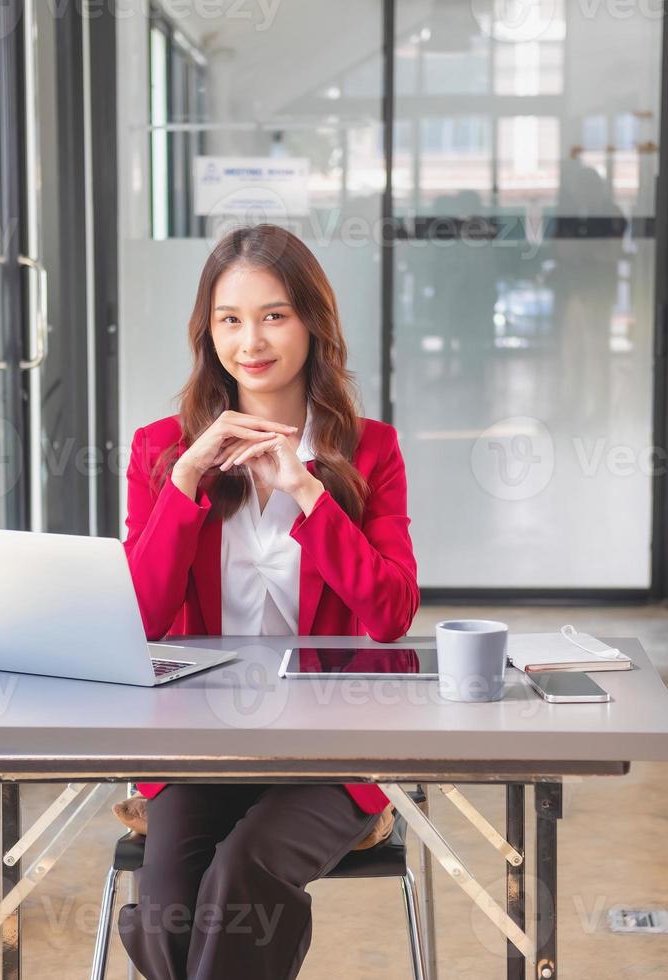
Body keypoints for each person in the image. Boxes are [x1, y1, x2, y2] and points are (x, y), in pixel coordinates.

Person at [117, 223, 421, 980]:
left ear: (312, 323)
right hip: (204, 742)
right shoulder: (160, 450)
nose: (250, 340)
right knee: (168, 908)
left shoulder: (370, 449)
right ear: (207, 330)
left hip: (334, 741)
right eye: (230, 319)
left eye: (274, 315)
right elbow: (138, 620)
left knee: (241, 875)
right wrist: (183, 482)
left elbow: (390, 613)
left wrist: (306, 489)